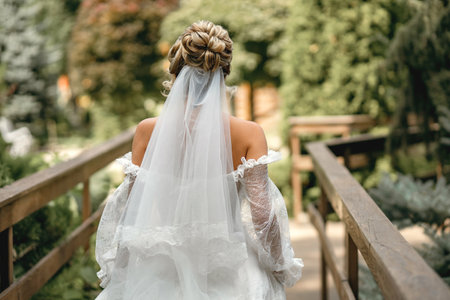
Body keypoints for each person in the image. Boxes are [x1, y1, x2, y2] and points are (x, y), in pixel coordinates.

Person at [95, 20, 303, 300]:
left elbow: (132, 208)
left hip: (163, 265)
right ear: (224, 73)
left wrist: (121, 267)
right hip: (228, 265)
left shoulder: (147, 131)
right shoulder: (250, 134)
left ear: (175, 71)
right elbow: (262, 214)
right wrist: (279, 263)